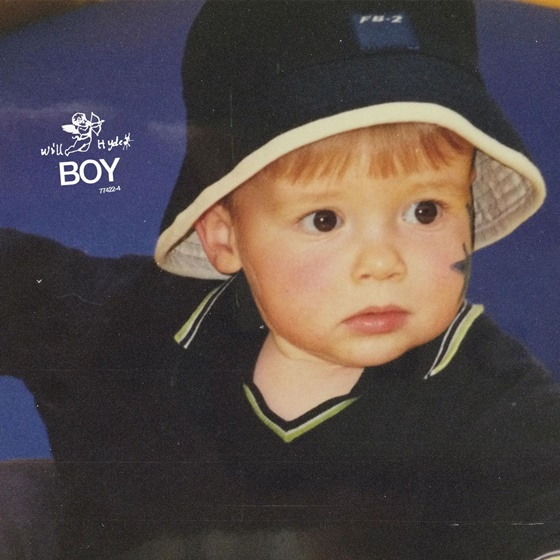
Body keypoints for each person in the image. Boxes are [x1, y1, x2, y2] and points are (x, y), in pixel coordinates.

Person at [1, 1, 560, 559]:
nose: (383, 262)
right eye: (324, 220)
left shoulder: (498, 405)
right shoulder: (132, 322)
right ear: (225, 237)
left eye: (425, 211)